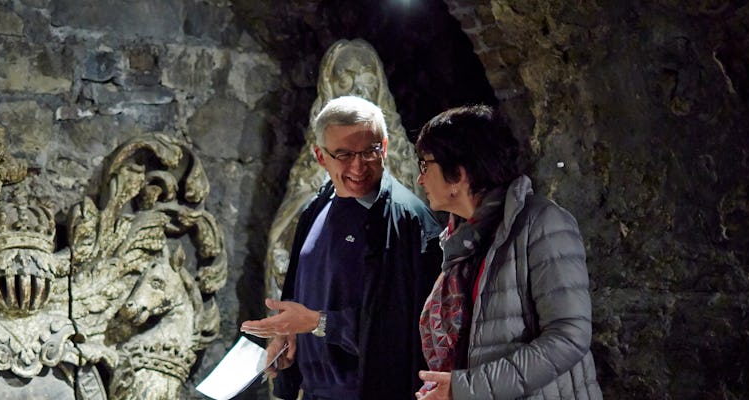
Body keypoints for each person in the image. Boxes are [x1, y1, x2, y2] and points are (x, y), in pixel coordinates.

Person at [241, 95, 443, 399]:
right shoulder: (315, 209)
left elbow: (408, 332)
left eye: (369, 151)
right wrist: (289, 338)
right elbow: (306, 295)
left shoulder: (407, 222)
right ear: (321, 157)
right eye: (344, 154)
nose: (358, 166)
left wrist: (317, 322)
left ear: (384, 148)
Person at [412, 105, 602, 399]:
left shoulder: (542, 223)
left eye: (425, 166)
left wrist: (464, 388)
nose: (420, 179)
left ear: (459, 173)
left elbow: (569, 337)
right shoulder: (462, 241)